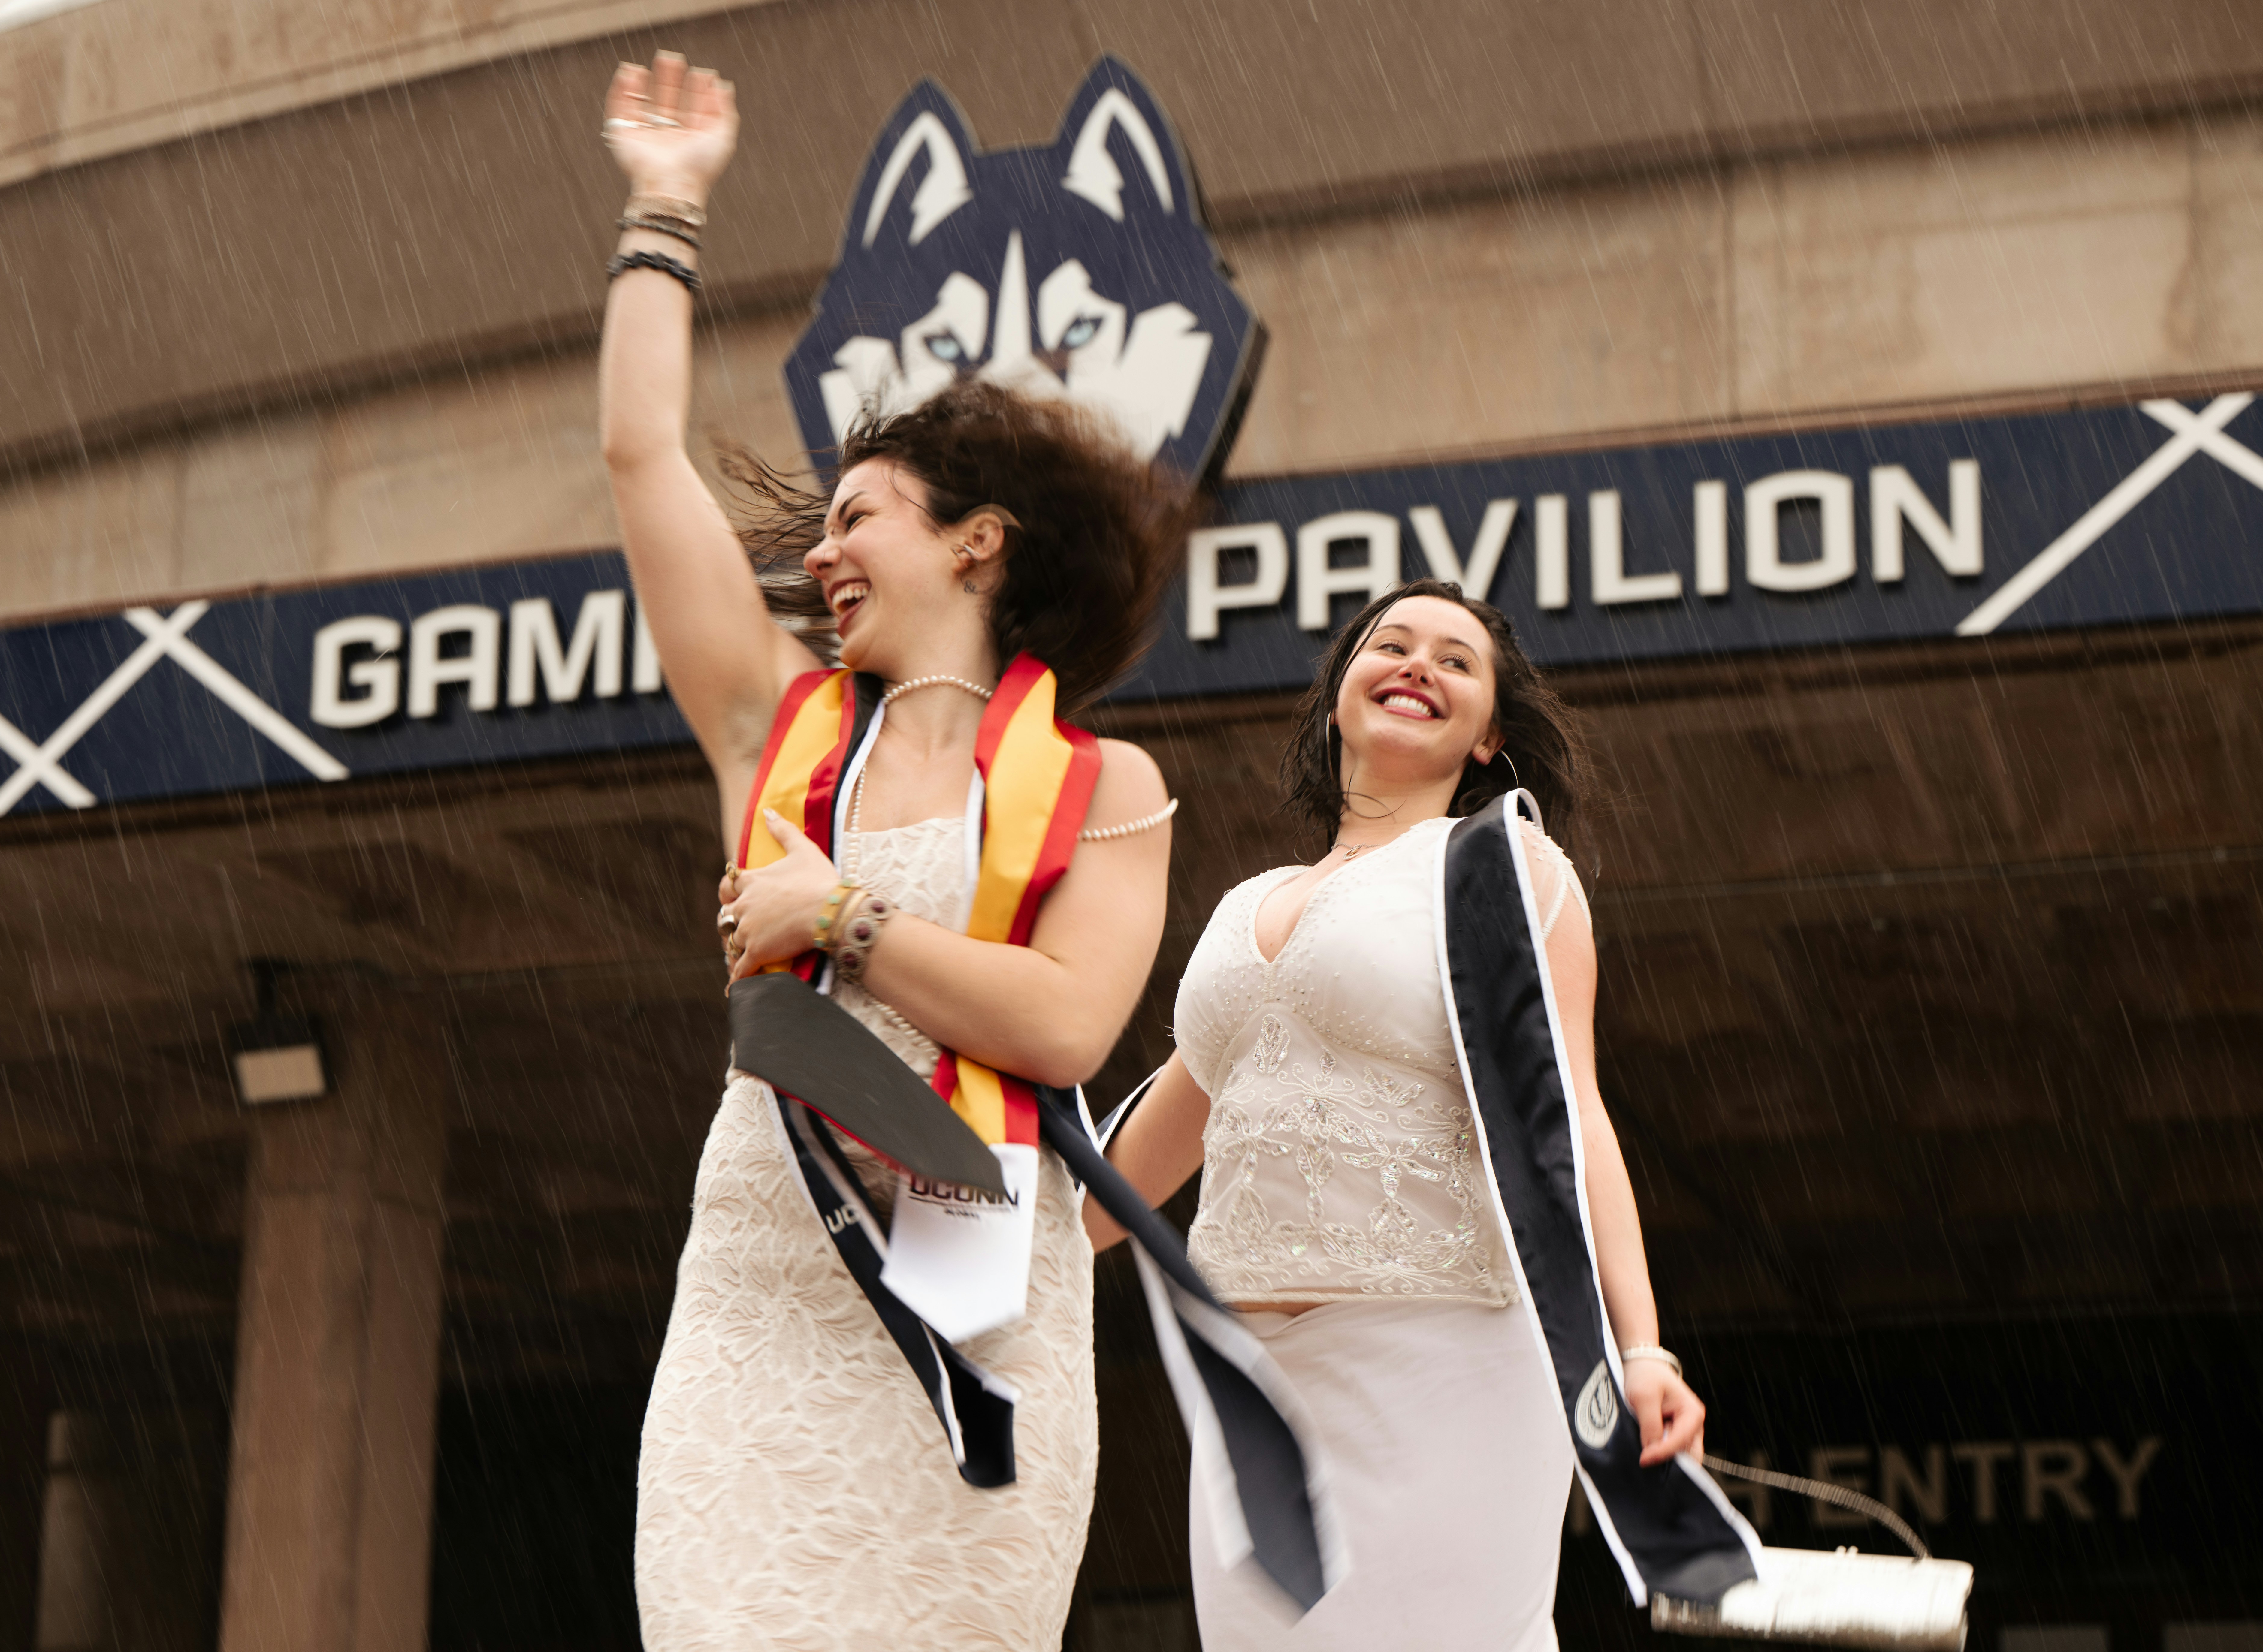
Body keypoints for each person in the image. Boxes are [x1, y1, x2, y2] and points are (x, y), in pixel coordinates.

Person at [596, 51, 1186, 1652]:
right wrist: (666, 205)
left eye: (860, 517)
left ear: (974, 541)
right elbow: (645, 463)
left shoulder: (1106, 783)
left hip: (973, 1290)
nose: (822, 551)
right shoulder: (774, 735)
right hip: (762, 1284)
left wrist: (841, 913)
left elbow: (1064, 1026)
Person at [1090, 578, 1715, 1650]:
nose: (1420, 664)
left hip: (1444, 1354)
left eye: (1457, 660)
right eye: (1393, 643)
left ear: (1488, 739)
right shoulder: (1246, 902)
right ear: (1340, 693)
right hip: (1254, 1391)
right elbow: (1156, 1146)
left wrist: (1643, 1346)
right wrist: (966, 1250)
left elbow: (1572, 1109)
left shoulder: (1504, 866)